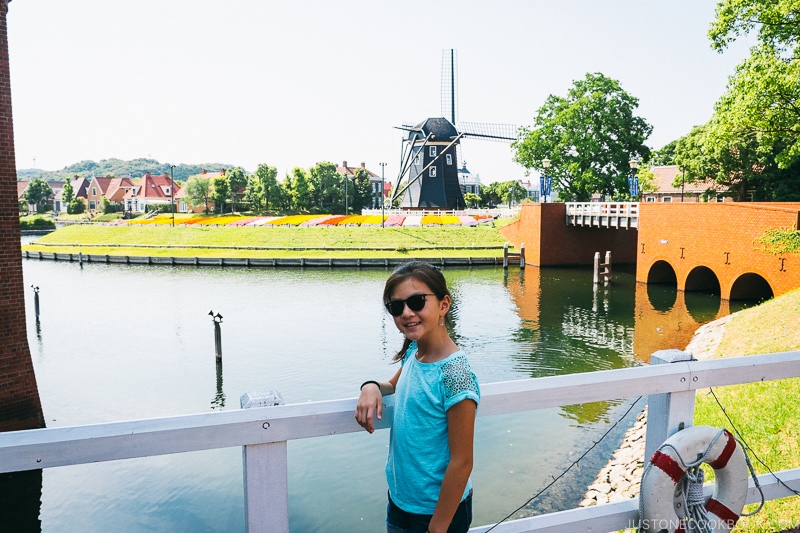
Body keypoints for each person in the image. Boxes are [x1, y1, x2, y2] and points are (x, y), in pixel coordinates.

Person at [355, 261, 480, 533]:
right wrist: (370, 387)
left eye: (416, 302)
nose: (407, 313)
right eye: (397, 306)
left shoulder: (455, 374)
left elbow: (462, 462)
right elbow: (392, 384)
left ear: (443, 305)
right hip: (401, 500)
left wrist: (437, 528)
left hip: (437, 513)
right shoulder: (415, 351)